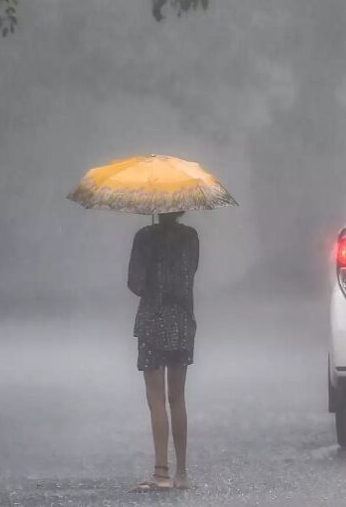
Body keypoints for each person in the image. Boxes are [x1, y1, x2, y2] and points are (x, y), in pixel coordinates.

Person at [127, 211, 199, 492]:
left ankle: (161, 473)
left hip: (153, 321)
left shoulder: (145, 237)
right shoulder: (191, 237)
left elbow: (135, 284)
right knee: (178, 397)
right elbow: (189, 272)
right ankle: (181, 473)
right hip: (182, 320)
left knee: (156, 399)